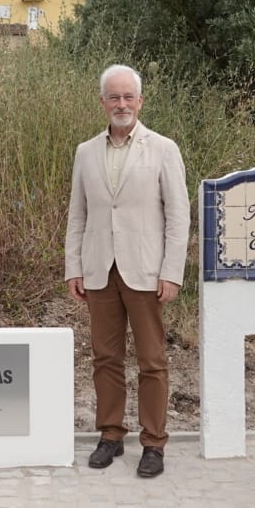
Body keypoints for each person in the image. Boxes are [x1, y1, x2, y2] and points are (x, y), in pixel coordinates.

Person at [65, 64, 190, 479]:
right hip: (99, 269)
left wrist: (171, 271)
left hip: (146, 271)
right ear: (102, 102)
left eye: (128, 97)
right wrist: (74, 267)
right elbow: (77, 215)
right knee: (105, 358)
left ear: (140, 101)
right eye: (113, 97)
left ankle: (153, 443)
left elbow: (178, 216)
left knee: (152, 361)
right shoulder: (86, 152)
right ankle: (111, 435)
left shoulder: (162, 149)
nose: (121, 104)